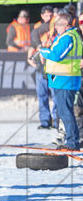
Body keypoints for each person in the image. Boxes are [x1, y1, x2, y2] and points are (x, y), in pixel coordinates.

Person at [39, 11, 81, 151]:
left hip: (66, 79)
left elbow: (57, 56)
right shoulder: (66, 36)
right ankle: (73, 140)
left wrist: (42, 51)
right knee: (64, 112)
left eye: (57, 25)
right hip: (62, 79)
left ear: (64, 24)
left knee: (65, 112)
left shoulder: (68, 37)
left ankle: (72, 142)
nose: (55, 28)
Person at [28, 8, 57, 129]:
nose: (48, 15)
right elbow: (33, 39)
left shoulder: (55, 23)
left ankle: (56, 120)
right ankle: (45, 121)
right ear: (41, 15)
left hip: (53, 64)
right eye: (45, 14)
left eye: (49, 13)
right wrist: (30, 55)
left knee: (56, 95)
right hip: (41, 65)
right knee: (42, 94)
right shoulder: (40, 26)